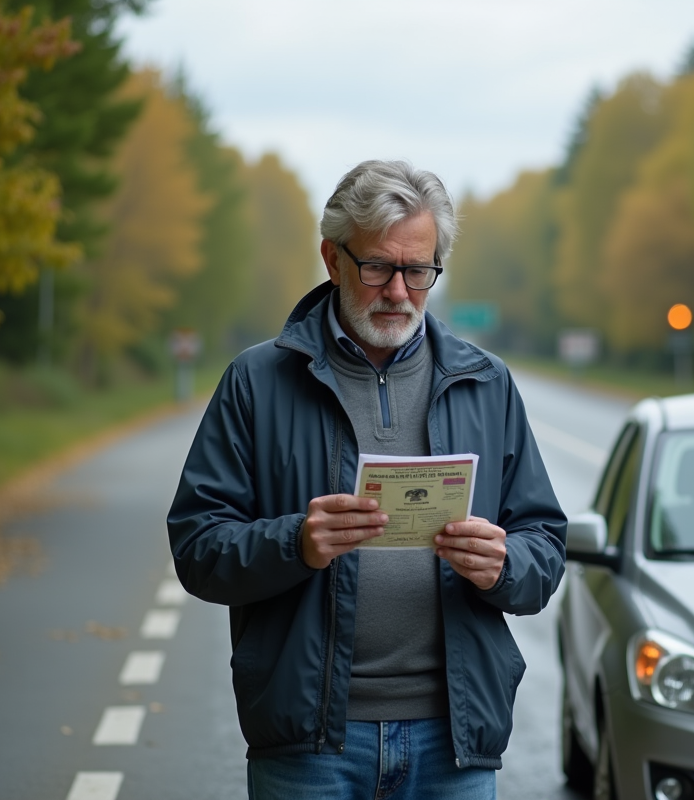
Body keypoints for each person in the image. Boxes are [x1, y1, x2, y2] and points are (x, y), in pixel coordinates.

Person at [167, 160, 567, 799]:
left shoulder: (487, 385)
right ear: (332, 257)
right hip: (311, 746)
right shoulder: (257, 382)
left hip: (455, 742)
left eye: (419, 271)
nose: (400, 291)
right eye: (379, 267)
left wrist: (505, 563)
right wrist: (295, 543)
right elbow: (196, 547)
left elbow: (544, 545)